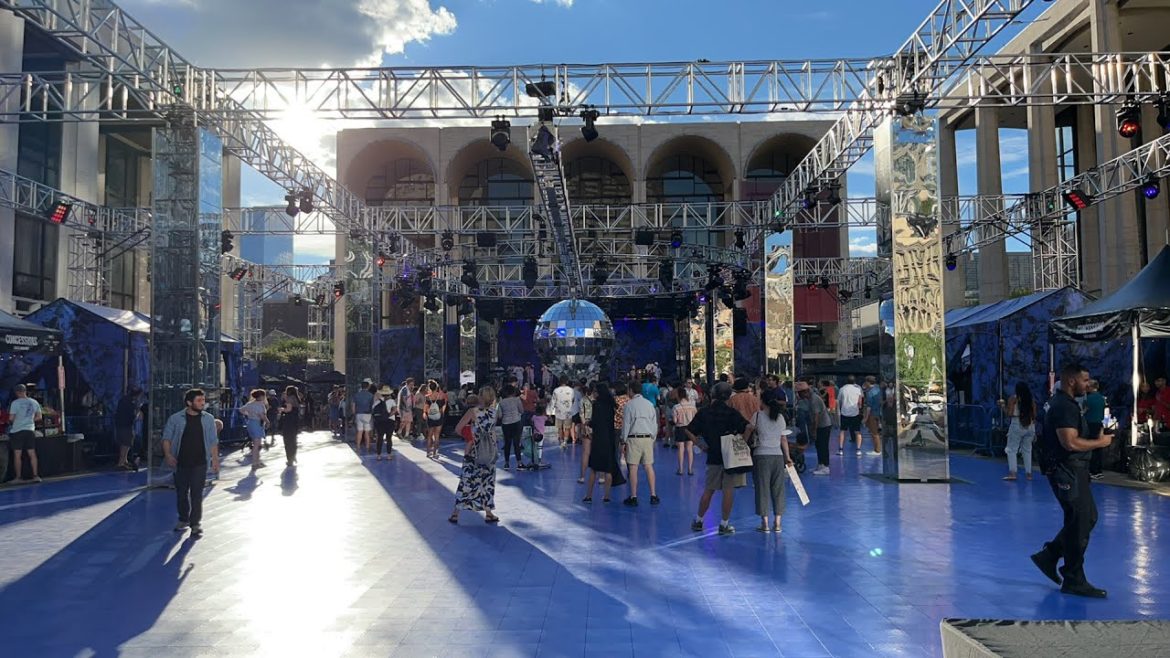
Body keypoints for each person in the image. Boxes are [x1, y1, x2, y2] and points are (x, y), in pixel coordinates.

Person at [1031, 363, 1114, 598]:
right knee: (1081, 520)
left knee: (1085, 517)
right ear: (1071, 381)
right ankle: (1073, 577)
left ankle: (1050, 555)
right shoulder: (1064, 406)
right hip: (1067, 470)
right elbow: (1070, 442)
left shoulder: (1062, 403)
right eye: (1084, 380)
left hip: (1070, 470)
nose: (1088, 385)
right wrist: (1100, 443)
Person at [688, 382, 755, 535]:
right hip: (731, 456)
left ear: (712, 395)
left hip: (713, 455)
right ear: (728, 396)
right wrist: (743, 441)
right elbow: (748, 427)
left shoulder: (704, 412)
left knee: (709, 489)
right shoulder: (732, 413)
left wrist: (700, 444)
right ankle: (724, 524)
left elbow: (689, 430)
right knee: (728, 491)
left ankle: (699, 520)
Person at [161, 388, 220, 538]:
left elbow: (213, 441)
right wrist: (168, 455)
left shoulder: (208, 419)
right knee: (181, 493)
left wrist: (215, 460)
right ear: (189, 402)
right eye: (199, 400)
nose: (202, 403)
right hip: (181, 462)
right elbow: (167, 438)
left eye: (203, 400)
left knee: (196, 494)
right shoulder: (176, 419)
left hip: (200, 462)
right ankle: (183, 518)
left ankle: (195, 524)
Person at [448, 388, 500, 525]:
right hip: (489, 452)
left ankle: (456, 513)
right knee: (487, 482)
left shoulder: (472, 412)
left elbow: (458, 428)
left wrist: (470, 438)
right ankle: (488, 512)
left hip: (473, 451)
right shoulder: (494, 413)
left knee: (467, 481)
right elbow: (493, 433)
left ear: (480, 397)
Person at [752, 396, 793, 533]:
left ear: (763, 402)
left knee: (762, 489)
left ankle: (765, 523)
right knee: (778, 489)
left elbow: (749, 430)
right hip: (778, 456)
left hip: (761, 455)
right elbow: (783, 439)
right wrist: (787, 457)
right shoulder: (780, 418)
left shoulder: (757, 416)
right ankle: (778, 523)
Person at [621, 381, 660, 506]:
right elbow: (654, 424)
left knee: (633, 468)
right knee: (649, 466)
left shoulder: (629, 405)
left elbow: (626, 425)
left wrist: (623, 441)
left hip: (634, 439)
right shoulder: (649, 405)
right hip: (647, 438)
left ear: (631, 390)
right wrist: (652, 438)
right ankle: (653, 495)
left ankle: (633, 496)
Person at [585, 382, 623, 503]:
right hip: (609, 439)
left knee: (593, 469)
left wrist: (588, 423)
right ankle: (607, 496)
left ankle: (589, 495)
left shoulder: (596, 405)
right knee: (608, 469)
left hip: (598, 439)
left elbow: (595, 422)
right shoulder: (611, 405)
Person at [1000, 382, 1037, 481]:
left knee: (1011, 449)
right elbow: (1034, 415)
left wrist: (1003, 406)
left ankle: (1012, 473)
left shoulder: (1013, 399)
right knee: (1027, 450)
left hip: (1017, 424)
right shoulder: (1031, 400)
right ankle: (1029, 474)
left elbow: (1009, 413)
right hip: (1030, 425)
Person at [6, 384, 43, 483]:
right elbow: (39, 417)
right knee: (32, 453)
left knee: (17, 454)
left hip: (17, 430)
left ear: (17, 392)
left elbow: (11, 418)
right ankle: (35, 476)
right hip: (30, 430)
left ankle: (18, 477)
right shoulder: (34, 402)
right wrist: (29, 420)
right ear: (25, 391)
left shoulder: (15, 403)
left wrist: (12, 422)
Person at [795, 381, 832, 475]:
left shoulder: (814, 399)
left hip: (823, 425)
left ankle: (825, 466)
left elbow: (816, 417)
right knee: (818, 445)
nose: (798, 395)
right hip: (820, 425)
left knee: (823, 445)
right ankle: (821, 464)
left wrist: (814, 430)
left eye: (799, 393)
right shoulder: (810, 399)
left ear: (804, 392)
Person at [240, 389, 270, 471]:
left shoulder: (250, 404)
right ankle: (254, 463)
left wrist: (249, 414)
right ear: (261, 396)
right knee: (257, 445)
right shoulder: (260, 405)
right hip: (257, 423)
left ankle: (257, 462)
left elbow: (241, 410)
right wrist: (267, 422)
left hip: (251, 422)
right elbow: (262, 415)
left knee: (257, 444)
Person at [672, 384, 698, 476]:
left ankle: (680, 469)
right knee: (690, 449)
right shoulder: (692, 406)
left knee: (681, 449)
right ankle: (690, 469)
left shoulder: (676, 407)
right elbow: (696, 418)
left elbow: (675, 421)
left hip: (680, 428)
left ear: (678, 396)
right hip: (690, 428)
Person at [1083, 380, 1107, 479]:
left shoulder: (1088, 399)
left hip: (1090, 424)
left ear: (1091, 387)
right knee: (1098, 448)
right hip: (1099, 424)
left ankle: (1092, 470)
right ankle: (1098, 470)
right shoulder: (1101, 398)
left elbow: (1083, 411)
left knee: (1090, 447)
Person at [498, 384, 525, 470]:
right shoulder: (517, 400)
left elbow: (499, 415)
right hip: (516, 422)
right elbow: (522, 411)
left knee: (507, 443)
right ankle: (519, 463)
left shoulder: (501, 402)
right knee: (516, 443)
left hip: (505, 423)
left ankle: (506, 463)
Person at [837, 375, 864, 456]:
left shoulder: (842, 389)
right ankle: (858, 450)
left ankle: (841, 450)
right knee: (857, 432)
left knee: (842, 431)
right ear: (854, 381)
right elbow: (860, 401)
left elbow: (839, 400)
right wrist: (860, 409)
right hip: (855, 413)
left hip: (844, 413)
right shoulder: (858, 389)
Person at [371, 385, 398, 461]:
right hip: (390, 421)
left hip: (380, 421)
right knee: (389, 438)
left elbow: (373, 410)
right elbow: (394, 410)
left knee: (380, 438)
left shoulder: (377, 401)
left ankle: (378, 455)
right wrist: (388, 415)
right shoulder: (392, 401)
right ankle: (389, 455)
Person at [280, 385, 302, 467]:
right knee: (293, 439)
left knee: (287, 440)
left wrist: (282, 409)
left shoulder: (289, 398)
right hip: (295, 420)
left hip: (289, 420)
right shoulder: (296, 398)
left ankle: (290, 459)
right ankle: (293, 455)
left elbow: (288, 409)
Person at [861, 376, 883, 455]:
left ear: (868, 382)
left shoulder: (870, 392)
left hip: (872, 414)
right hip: (878, 413)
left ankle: (877, 450)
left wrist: (865, 418)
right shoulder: (877, 389)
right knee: (876, 432)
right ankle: (877, 449)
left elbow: (869, 407)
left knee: (874, 433)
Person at [352, 382, 375, 453]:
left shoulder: (356, 395)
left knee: (359, 432)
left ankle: (358, 447)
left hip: (359, 414)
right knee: (367, 433)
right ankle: (367, 447)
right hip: (367, 415)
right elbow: (372, 406)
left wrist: (354, 414)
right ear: (368, 387)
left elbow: (353, 407)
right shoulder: (371, 395)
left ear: (361, 386)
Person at [577, 383, 594, 483]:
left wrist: (584, 426)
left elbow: (581, 414)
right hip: (598, 427)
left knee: (585, 452)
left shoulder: (583, 400)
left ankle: (582, 476)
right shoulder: (599, 400)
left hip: (587, 425)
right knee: (598, 451)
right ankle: (601, 477)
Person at [553, 378, 576, 447]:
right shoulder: (571, 390)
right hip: (568, 412)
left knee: (560, 428)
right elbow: (573, 400)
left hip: (559, 411)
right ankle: (565, 442)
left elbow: (554, 400)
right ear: (567, 382)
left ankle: (561, 441)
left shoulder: (556, 390)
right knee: (567, 427)